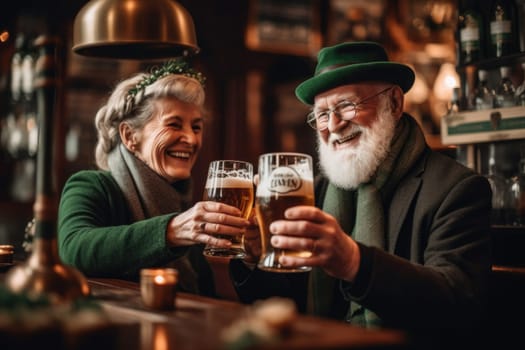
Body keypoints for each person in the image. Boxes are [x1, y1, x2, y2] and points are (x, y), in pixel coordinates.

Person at [230, 41, 492, 337]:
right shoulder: (313, 190)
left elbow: (460, 304)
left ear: (393, 102)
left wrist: (354, 262)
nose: (334, 125)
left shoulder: (456, 189)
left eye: (346, 105)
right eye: (321, 115)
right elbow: (285, 304)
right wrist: (254, 257)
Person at [57, 60, 250, 296]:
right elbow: (73, 249)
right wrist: (171, 231)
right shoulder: (92, 186)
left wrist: (247, 256)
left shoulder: (186, 208)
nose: (190, 139)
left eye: (196, 127)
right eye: (173, 124)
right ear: (130, 136)